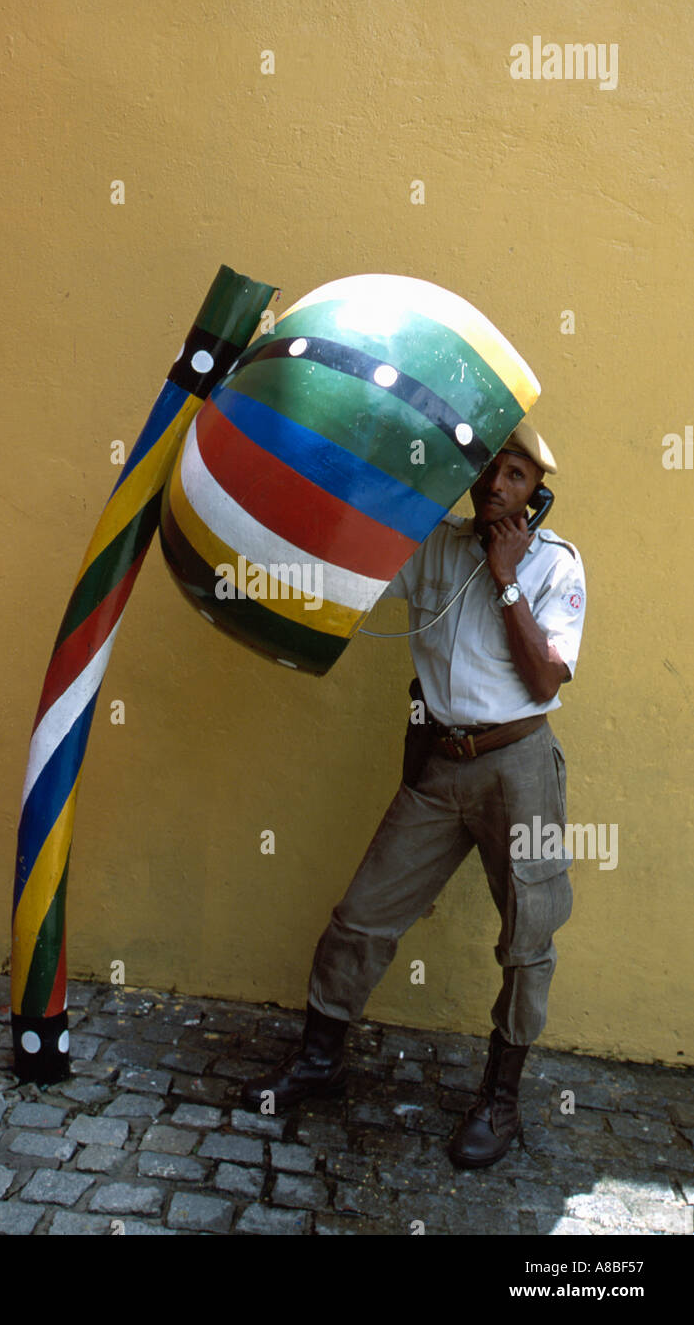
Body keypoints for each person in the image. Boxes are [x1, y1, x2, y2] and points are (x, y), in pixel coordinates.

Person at [242, 419, 587, 1169]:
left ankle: (500, 1098)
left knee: (527, 939)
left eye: (518, 475)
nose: (497, 484)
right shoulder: (429, 545)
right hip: (439, 766)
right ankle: (319, 1060)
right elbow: (348, 581)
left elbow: (542, 679)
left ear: (538, 492)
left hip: (517, 767)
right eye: (490, 469)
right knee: (361, 917)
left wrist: (504, 577)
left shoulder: (557, 565)